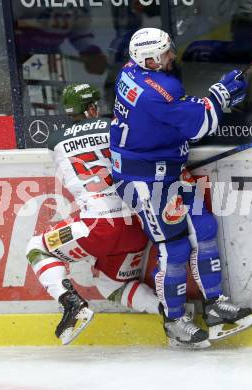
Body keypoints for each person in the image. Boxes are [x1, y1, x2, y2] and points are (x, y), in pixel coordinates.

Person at [110, 27, 252, 349]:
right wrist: (220, 95)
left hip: (167, 172)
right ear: (148, 60)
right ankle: (174, 320)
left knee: (204, 227)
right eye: (165, 54)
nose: (171, 56)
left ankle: (215, 304)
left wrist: (209, 100)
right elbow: (198, 125)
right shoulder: (155, 91)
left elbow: (177, 113)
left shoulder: (131, 72)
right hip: (146, 182)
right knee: (174, 249)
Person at [26, 83, 159, 345]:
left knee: (37, 247)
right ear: (92, 107)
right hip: (136, 227)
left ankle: (72, 304)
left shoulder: (55, 140)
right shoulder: (113, 126)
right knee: (111, 285)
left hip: (98, 226)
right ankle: (172, 315)